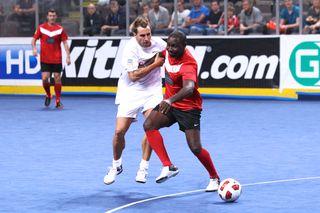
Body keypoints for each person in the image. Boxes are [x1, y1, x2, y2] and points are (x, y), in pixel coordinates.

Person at [143, 31, 220, 192]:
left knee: (195, 148)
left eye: (174, 46)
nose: (170, 49)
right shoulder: (168, 51)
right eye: (169, 45)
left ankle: (214, 177)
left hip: (188, 108)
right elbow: (160, 53)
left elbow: (189, 88)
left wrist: (169, 100)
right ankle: (168, 166)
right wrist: (145, 64)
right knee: (149, 124)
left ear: (183, 47)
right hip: (171, 105)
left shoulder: (188, 64)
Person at [103, 16, 166, 185]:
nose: (146, 39)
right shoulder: (130, 49)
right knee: (119, 131)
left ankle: (143, 167)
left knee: (152, 126)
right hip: (130, 90)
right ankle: (116, 165)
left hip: (152, 90)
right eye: (142, 36)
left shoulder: (160, 44)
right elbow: (133, 76)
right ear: (134, 35)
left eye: (148, 34)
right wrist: (155, 64)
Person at [31, 8, 71, 109]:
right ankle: (48, 94)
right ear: (47, 17)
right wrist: (34, 49)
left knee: (57, 78)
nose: (52, 17)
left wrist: (68, 56)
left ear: (56, 17)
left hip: (57, 58)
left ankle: (57, 101)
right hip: (45, 58)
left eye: (53, 16)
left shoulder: (60, 29)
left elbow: (65, 43)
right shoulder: (41, 28)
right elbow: (33, 40)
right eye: (50, 16)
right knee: (45, 79)